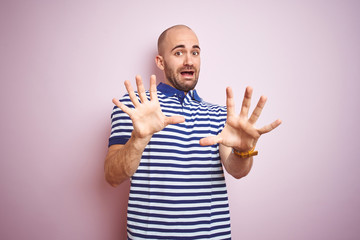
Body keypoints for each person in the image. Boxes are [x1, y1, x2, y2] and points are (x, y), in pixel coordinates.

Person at [105, 25, 281, 240]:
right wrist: (138, 138)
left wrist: (244, 150)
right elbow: (112, 177)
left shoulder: (220, 115)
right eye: (179, 52)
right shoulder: (135, 108)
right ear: (161, 62)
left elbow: (237, 170)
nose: (189, 60)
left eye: (195, 52)